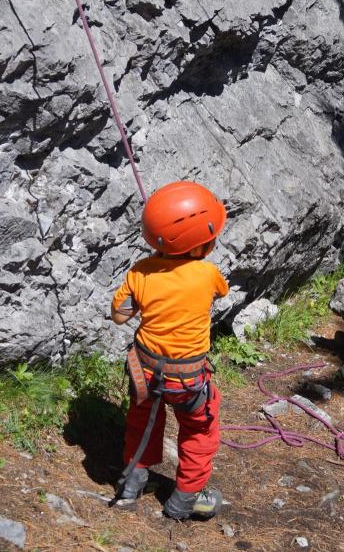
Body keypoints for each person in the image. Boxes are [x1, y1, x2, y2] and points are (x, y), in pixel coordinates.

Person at [109, 180, 229, 520]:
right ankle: (185, 500)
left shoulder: (140, 273)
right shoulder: (208, 274)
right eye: (210, 238)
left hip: (144, 371)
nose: (213, 243)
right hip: (188, 379)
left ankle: (131, 484)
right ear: (196, 247)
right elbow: (221, 293)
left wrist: (147, 279)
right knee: (199, 430)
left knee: (140, 420)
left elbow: (119, 316)